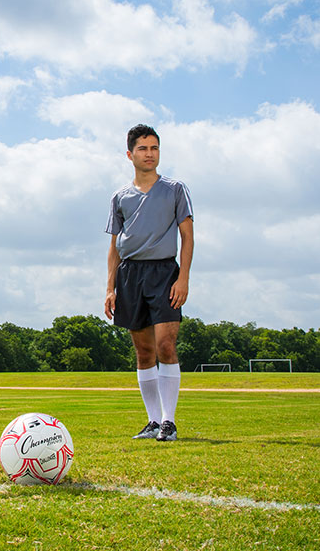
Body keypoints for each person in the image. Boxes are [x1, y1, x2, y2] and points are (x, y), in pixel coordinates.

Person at [105, 124, 194, 441]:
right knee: (143, 353)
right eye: (143, 148)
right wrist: (110, 288)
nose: (149, 153)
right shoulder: (119, 197)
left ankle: (169, 422)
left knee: (165, 346)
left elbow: (187, 236)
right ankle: (153, 421)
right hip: (130, 275)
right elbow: (115, 247)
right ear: (130, 155)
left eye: (154, 148)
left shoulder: (175, 189)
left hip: (164, 273)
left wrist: (183, 277)